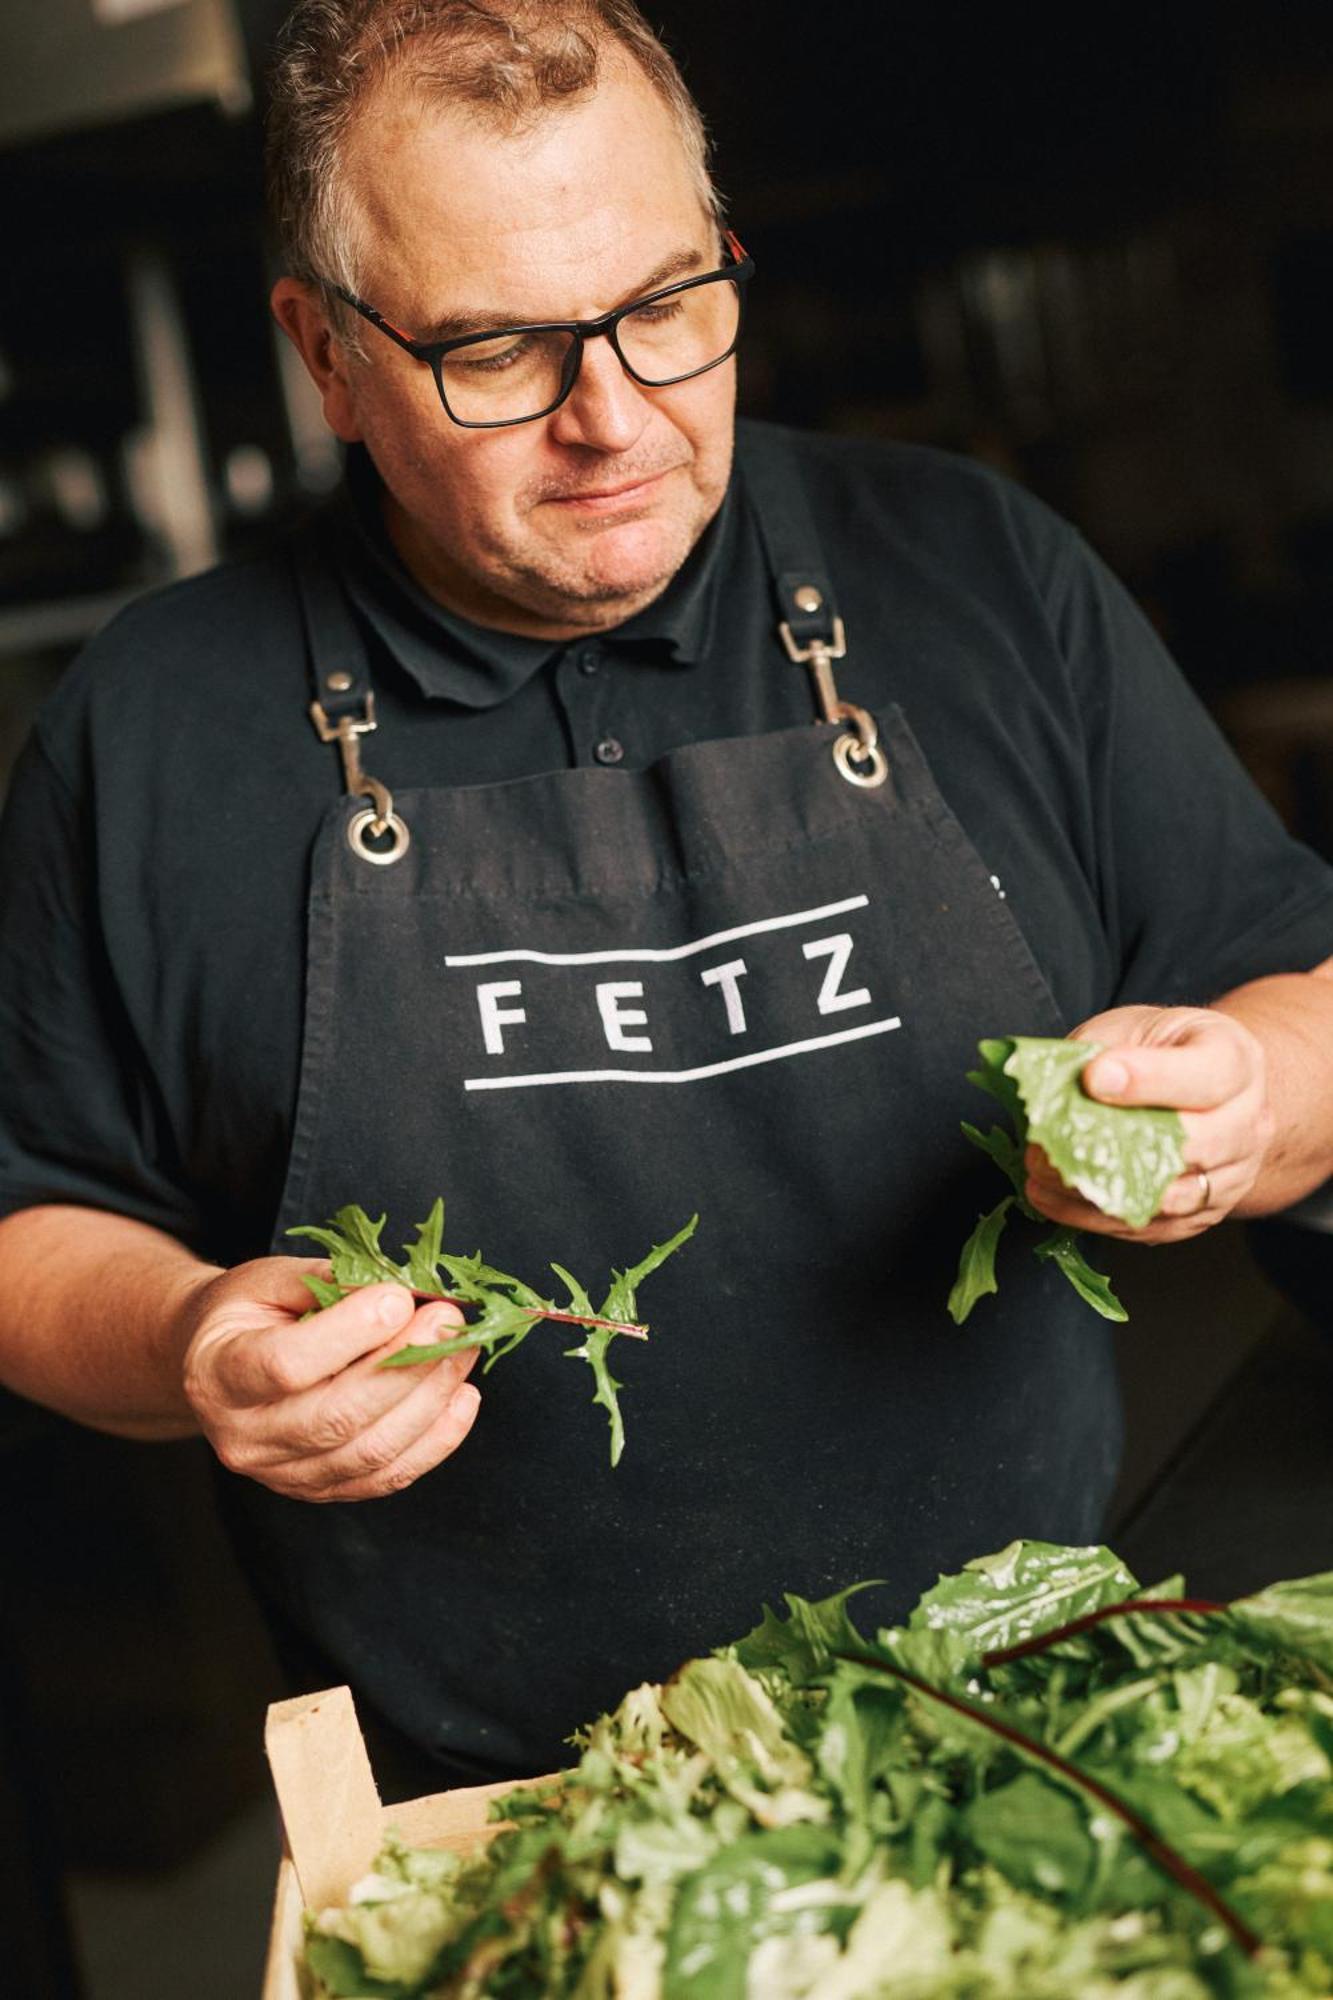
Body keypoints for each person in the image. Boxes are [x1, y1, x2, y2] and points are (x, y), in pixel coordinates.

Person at [3, 0, 1333, 1797]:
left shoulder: (972, 572)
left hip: (1034, 1739)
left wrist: (1249, 1100)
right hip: (503, 1816)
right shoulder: (154, 728)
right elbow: (29, 1221)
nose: (612, 418)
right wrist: (187, 1338)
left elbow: (1300, 993)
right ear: (324, 357)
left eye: (666, 305)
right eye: (495, 350)